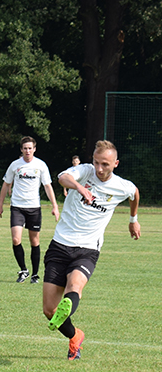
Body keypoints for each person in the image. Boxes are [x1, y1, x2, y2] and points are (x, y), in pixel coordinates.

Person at [43, 140, 140, 360]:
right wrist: (79, 187)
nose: (99, 169)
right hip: (60, 245)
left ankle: (69, 304)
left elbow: (134, 193)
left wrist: (133, 220)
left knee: (74, 285)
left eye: (105, 164)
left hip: (87, 249)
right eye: (96, 162)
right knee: (49, 310)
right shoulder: (85, 171)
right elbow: (62, 178)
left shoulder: (121, 186)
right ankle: (75, 335)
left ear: (115, 163)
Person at [0, 136, 60, 284]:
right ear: (21, 150)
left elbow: (47, 186)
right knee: (16, 239)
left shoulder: (41, 165)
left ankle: (35, 274)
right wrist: (0, 204)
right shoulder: (15, 165)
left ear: (34, 149)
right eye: (25, 148)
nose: (27, 151)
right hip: (17, 207)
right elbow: (6, 184)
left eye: (30, 148)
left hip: (34, 208)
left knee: (34, 241)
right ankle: (24, 270)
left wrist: (54, 206)